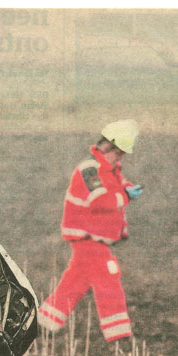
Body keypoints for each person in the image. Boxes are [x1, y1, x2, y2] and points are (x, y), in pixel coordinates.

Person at [38, 119, 143, 342]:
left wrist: (127, 189)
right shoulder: (89, 170)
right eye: (119, 154)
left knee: (76, 280)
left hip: (95, 238)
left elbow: (119, 184)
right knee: (108, 276)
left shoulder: (109, 168)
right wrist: (125, 196)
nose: (121, 159)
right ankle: (119, 336)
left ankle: (45, 323)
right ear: (108, 147)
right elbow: (100, 201)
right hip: (86, 237)